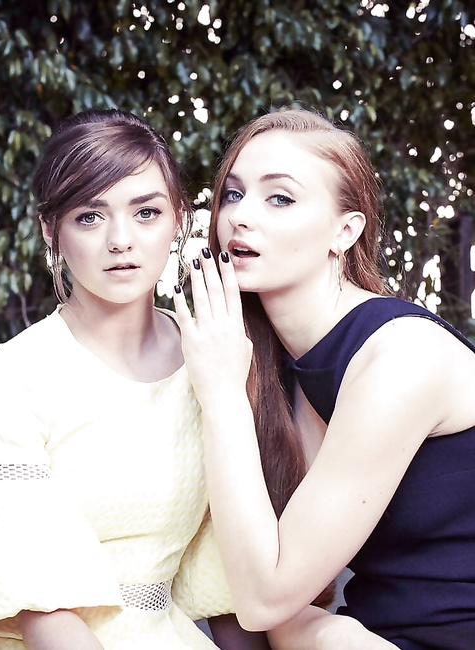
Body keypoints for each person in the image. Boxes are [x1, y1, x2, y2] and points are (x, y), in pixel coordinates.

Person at [0, 109, 271, 650]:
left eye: (146, 212)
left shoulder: (211, 358)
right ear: (51, 230)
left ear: (179, 220)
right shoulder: (16, 374)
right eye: (90, 217)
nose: (121, 240)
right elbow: (42, 609)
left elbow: (226, 582)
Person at [173, 107, 475, 650]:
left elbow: (265, 598)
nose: (240, 216)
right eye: (233, 194)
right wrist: (320, 630)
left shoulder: (401, 357)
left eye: (280, 198)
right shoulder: (264, 361)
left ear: (345, 230)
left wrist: (221, 395)